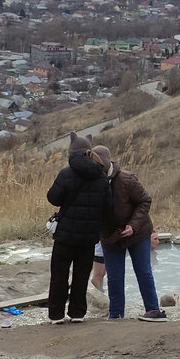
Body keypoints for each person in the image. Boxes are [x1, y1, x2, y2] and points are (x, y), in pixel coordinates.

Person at [92, 144, 166, 321]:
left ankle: (153, 310)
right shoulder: (90, 182)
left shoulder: (127, 179)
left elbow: (145, 201)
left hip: (137, 234)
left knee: (143, 271)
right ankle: (116, 314)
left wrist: (133, 225)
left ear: (106, 164)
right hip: (110, 238)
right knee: (115, 278)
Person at [46, 133, 112, 324]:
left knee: (59, 274)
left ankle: (56, 315)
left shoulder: (66, 174)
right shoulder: (101, 178)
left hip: (65, 236)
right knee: (81, 275)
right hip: (88, 238)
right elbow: (108, 208)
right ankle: (77, 313)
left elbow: (53, 198)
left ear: (71, 152)